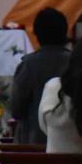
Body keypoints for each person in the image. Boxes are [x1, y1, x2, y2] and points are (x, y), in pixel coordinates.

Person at [9, 8, 71, 145]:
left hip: (33, 143)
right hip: (70, 141)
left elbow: (16, 109)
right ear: (65, 32)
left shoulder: (28, 65)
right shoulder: (76, 62)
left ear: (37, 34)